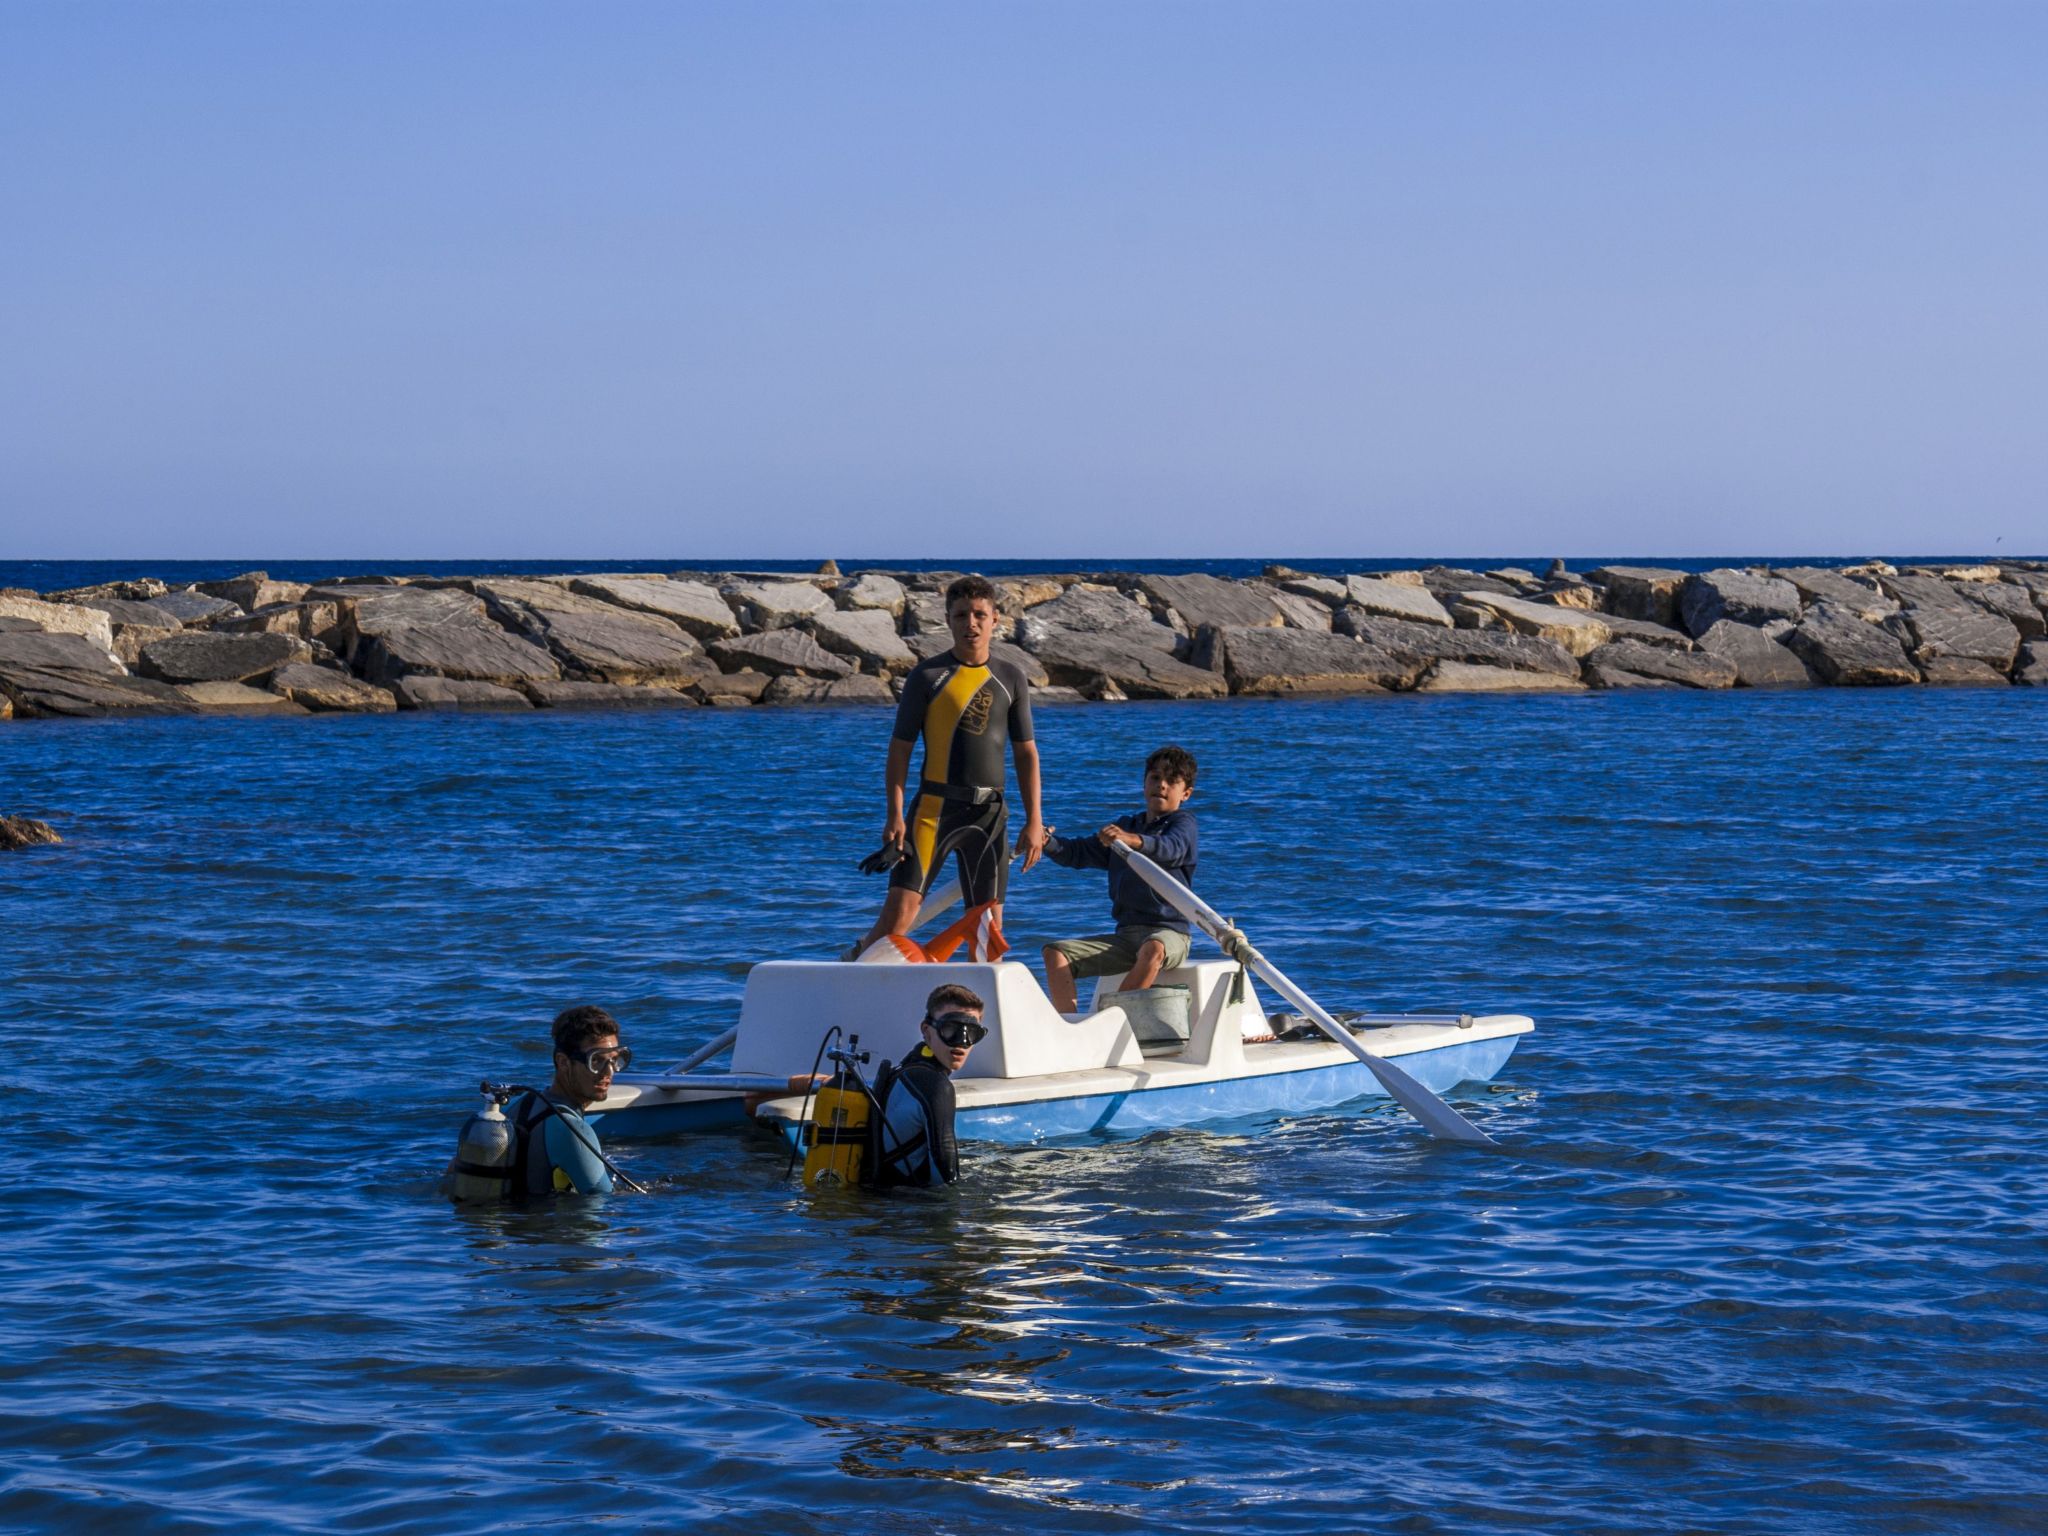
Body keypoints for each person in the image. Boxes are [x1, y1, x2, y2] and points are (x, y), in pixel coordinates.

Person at [852, 574, 1046, 959]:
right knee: (897, 919)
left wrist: (1034, 820)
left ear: (995, 620)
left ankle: (976, 1015)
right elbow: (899, 750)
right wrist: (894, 814)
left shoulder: (1011, 677)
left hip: (990, 816)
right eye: (961, 615)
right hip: (932, 812)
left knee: (989, 930)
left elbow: (1026, 753)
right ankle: (847, 978)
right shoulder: (926, 677)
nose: (970, 623)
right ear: (948, 620)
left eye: (979, 615)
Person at [1039, 745, 1199, 1014]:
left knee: (1153, 948)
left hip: (1170, 934)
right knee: (1055, 953)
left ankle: (1110, 1021)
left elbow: (1171, 849)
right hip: (1126, 936)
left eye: (1171, 781)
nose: (1161, 785)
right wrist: (1046, 842)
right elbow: (1078, 853)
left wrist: (1131, 841)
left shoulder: (1184, 824)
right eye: (1155, 778)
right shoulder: (1125, 825)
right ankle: (1071, 1028)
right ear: (1144, 783)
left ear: (1186, 793)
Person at [869, 982, 987, 1188]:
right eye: (951, 1030)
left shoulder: (909, 1070)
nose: (962, 1042)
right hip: (908, 1209)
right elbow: (945, 1173)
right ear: (927, 1030)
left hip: (881, 1199)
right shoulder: (934, 1085)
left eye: (973, 1033)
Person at [508, 1005, 630, 1196]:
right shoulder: (572, 1130)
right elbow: (604, 1202)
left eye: (615, 1060)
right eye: (596, 1061)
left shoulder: (523, 1103)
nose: (609, 1072)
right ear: (563, 1062)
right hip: (542, 1223)